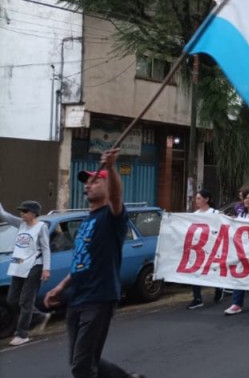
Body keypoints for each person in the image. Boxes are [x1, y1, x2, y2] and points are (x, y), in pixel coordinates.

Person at [44, 148, 144, 377]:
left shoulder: (112, 218)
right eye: (87, 182)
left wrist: (110, 167)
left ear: (109, 187)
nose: (88, 185)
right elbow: (81, 263)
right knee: (85, 360)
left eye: (95, 181)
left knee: (82, 366)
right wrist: (60, 288)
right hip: (77, 298)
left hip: (99, 298)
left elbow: (118, 198)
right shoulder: (87, 221)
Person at [0, 200, 51, 346]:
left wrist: (46, 269)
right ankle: (39, 316)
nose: (22, 214)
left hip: (34, 266)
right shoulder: (21, 224)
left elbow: (46, 248)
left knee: (25, 301)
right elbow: (3, 215)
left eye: (25, 211)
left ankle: (22, 333)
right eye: (21, 211)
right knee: (12, 299)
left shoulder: (41, 227)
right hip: (18, 266)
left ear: (34, 213)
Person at [186, 190, 224, 310]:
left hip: (213, 247)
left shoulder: (215, 213)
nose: (196, 201)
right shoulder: (195, 214)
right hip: (199, 248)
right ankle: (197, 298)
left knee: (212, 270)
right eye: (196, 199)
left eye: (199, 198)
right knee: (195, 271)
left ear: (206, 199)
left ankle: (219, 288)